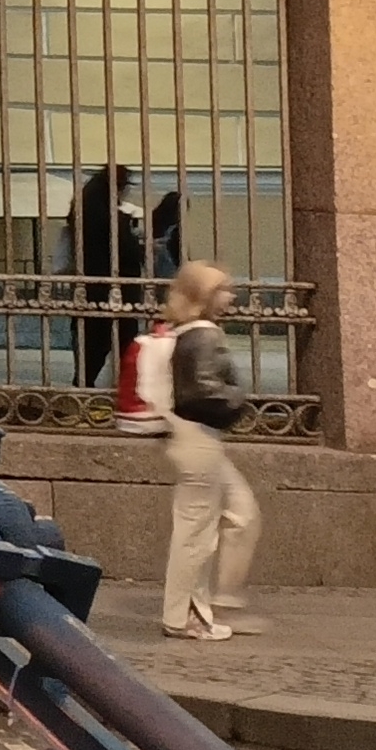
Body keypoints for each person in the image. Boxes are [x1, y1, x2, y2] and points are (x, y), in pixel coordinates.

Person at [149, 260, 264, 640]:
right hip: (198, 438)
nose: (231, 297)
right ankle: (183, 617)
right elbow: (203, 391)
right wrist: (239, 399)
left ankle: (217, 602)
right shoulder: (204, 335)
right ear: (205, 296)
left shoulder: (187, 332)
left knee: (241, 511)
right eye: (224, 290)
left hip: (193, 439)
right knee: (195, 531)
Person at [69, 165, 158, 384]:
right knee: (117, 342)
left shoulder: (84, 205)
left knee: (91, 344)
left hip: (90, 285)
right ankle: (118, 389)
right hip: (114, 288)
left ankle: (84, 386)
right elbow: (122, 248)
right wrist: (140, 246)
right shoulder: (106, 212)